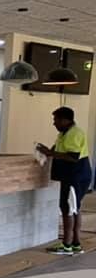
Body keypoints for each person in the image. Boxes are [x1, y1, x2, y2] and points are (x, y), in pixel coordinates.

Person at [36, 106, 93, 255]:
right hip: (74, 175)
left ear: (65, 120)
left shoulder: (74, 134)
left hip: (75, 175)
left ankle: (66, 245)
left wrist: (50, 153)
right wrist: (48, 151)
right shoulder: (64, 133)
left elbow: (73, 157)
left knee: (68, 208)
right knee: (74, 208)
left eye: (56, 120)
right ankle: (75, 243)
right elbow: (59, 150)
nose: (54, 123)